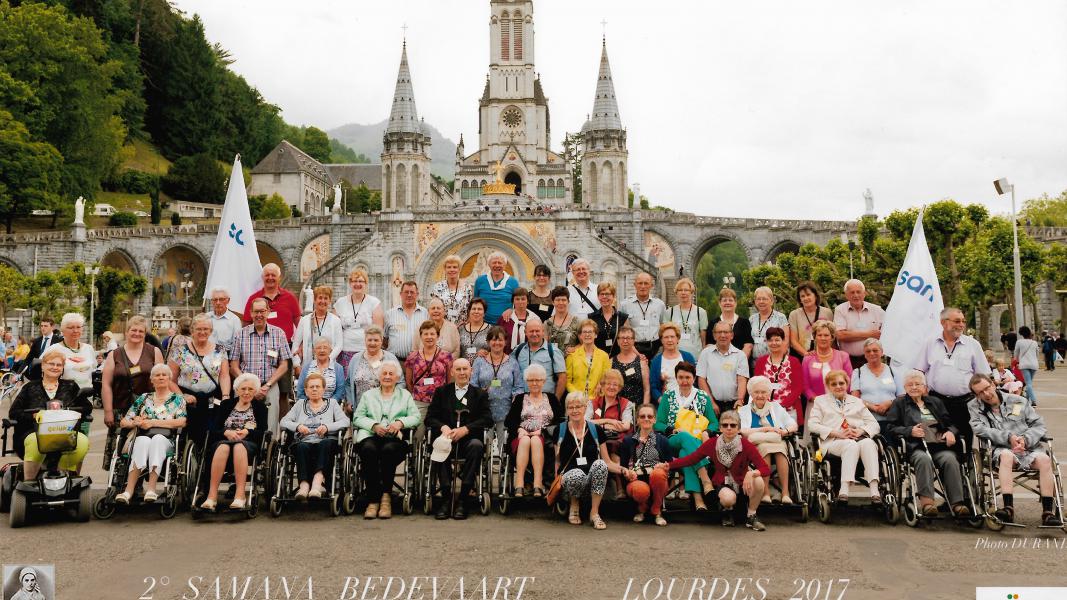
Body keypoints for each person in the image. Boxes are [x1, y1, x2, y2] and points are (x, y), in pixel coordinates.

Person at [968, 374, 1062, 526]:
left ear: (993, 384)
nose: (986, 394)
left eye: (987, 388)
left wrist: (1025, 439)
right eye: (980, 392)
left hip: (1028, 448)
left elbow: (1039, 425)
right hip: (1000, 449)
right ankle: (1008, 508)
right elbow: (980, 429)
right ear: (976, 395)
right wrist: (1008, 437)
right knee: (1006, 455)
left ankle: (1048, 512)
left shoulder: (1018, 401)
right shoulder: (974, 406)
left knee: (1045, 459)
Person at [659, 410, 770, 530]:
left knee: (758, 480)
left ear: (738, 429)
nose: (729, 428)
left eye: (733, 425)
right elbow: (691, 459)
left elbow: (765, 469)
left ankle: (751, 515)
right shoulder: (712, 443)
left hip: (743, 484)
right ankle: (727, 511)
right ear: (720, 428)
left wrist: (752, 473)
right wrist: (668, 465)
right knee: (728, 498)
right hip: (722, 485)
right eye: (725, 425)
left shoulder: (746, 445)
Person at [885, 370, 969, 517]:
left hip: (938, 444)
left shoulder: (935, 402)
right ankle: (927, 503)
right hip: (915, 446)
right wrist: (910, 431)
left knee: (950, 459)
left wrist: (950, 432)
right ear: (905, 388)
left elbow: (951, 423)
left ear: (924, 387)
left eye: (917, 384)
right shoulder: (899, 403)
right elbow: (891, 427)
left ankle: (957, 504)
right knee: (923, 460)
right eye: (910, 384)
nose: (914, 387)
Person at [9, 347, 91, 480]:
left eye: (59, 365)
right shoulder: (30, 387)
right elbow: (14, 412)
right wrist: (33, 416)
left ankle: (62, 477)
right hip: (33, 432)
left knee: (82, 442)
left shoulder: (70, 386)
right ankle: (29, 480)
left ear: (63, 368)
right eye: (51, 364)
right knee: (34, 442)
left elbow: (87, 407)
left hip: (65, 433)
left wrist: (76, 413)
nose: (55, 367)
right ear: (42, 366)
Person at [353, 362, 421, 519]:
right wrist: (374, 425)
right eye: (384, 373)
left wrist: (400, 423)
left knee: (388, 451)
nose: (388, 377)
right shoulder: (368, 395)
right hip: (371, 435)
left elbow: (416, 417)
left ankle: (385, 498)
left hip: (394, 438)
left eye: (391, 374)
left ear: (397, 378)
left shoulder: (405, 395)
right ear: (379, 376)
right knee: (368, 450)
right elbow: (357, 417)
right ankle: (373, 500)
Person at [915, 307, 991, 447]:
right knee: (938, 436)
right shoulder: (930, 343)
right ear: (943, 322)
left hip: (965, 401)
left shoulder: (973, 345)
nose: (961, 324)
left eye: (963, 321)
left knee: (964, 436)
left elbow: (983, 375)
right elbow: (918, 371)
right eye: (957, 321)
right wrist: (922, 389)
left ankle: (967, 465)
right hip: (936, 400)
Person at [426, 358, 492, 519]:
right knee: (439, 446)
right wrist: (444, 427)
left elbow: (487, 419)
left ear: (471, 371)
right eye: (458, 369)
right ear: (452, 372)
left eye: (465, 369)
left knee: (476, 446)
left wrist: (466, 429)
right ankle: (446, 499)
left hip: (469, 440)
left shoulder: (480, 394)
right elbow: (430, 418)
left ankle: (463, 499)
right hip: (446, 438)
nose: (462, 372)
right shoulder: (442, 392)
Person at [115, 364, 187, 504]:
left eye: (164, 375)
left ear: (169, 378)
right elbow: (124, 421)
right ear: (152, 380)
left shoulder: (178, 399)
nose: (161, 377)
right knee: (143, 441)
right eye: (157, 375)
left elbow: (182, 421)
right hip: (143, 436)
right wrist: (135, 422)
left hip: (166, 439)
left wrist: (153, 423)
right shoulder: (143, 398)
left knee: (158, 439)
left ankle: (151, 489)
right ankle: (128, 491)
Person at [807, 370, 881, 503]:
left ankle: (875, 490)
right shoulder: (820, 401)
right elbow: (812, 425)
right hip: (833, 441)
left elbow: (874, 425)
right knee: (850, 444)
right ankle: (844, 489)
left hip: (858, 438)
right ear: (828, 386)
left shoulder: (857, 401)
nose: (838, 386)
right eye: (833, 384)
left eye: (841, 383)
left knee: (869, 443)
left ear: (847, 384)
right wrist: (837, 433)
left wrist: (860, 431)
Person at [556, 392, 626, 529]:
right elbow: (557, 462)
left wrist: (624, 470)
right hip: (570, 481)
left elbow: (607, 462)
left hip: (591, 480)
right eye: (571, 407)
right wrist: (556, 483)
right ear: (567, 410)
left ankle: (594, 513)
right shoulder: (560, 429)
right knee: (576, 474)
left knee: (600, 464)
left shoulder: (595, 429)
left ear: (585, 408)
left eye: (578, 407)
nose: (575, 410)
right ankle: (574, 505)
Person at [654, 362, 718, 510]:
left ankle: (698, 500)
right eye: (680, 377)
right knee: (684, 436)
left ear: (694, 378)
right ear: (676, 378)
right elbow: (658, 424)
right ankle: (706, 480)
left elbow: (714, 423)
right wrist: (670, 429)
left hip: (696, 444)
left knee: (686, 454)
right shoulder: (668, 396)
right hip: (673, 441)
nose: (684, 381)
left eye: (688, 377)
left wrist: (706, 432)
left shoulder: (702, 397)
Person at [200, 373, 269, 511]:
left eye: (250, 389)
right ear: (236, 390)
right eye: (243, 389)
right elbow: (213, 429)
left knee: (238, 446)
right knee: (223, 447)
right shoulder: (226, 405)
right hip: (224, 441)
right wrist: (226, 432)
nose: (246, 392)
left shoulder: (260, 408)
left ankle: (240, 495)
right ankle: (211, 496)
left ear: (255, 391)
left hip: (248, 444)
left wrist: (248, 432)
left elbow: (263, 432)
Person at [280, 372, 349, 499]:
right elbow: (283, 421)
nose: (314, 389)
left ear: (323, 389)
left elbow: (345, 421)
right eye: (311, 387)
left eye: (318, 386)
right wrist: (298, 426)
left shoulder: (332, 403)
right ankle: (304, 485)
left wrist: (328, 427)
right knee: (301, 447)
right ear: (305, 390)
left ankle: (317, 483)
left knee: (325, 443)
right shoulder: (300, 404)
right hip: (304, 441)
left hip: (326, 440)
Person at [229, 297, 292, 435]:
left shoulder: (279, 333)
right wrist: (248, 385)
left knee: (270, 425)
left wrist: (267, 386)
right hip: (245, 388)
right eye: (256, 312)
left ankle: (269, 452)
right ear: (251, 313)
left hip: (269, 386)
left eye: (262, 311)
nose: (259, 315)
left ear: (268, 312)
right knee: (242, 423)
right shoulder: (240, 334)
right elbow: (233, 365)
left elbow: (284, 365)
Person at [169, 313, 230, 443]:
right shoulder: (179, 351)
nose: (202, 332)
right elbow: (170, 380)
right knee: (189, 433)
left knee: (212, 432)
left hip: (212, 398)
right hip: (189, 399)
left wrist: (225, 395)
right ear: (192, 331)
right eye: (199, 329)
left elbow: (224, 375)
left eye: (206, 329)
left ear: (211, 331)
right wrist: (181, 397)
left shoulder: (220, 350)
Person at [504, 364, 562, 498]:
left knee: (536, 440)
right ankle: (519, 484)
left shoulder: (551, 398)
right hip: (521, 437)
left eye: (538, 380)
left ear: (543, 381)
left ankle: (537, 484)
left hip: (545, 438)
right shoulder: (520, 398)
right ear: (526, 381)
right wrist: (519, 429)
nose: (534, 383)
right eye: (531, 380)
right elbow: (509, 421)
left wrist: (542, 431)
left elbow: (560, 420)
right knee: (525, 440)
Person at [738, 377, 797, 504]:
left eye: (764, 392)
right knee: (766, 449)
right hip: (755, 444)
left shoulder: (776, 407)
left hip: (776, 442)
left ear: (769, 393)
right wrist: (764, 429)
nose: (760, 395)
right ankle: (765, 493)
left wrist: (785, 431)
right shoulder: (743, 410)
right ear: (751, 393)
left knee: (781, 451)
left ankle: (785, 493)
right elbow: (742, 431)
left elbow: (793, 425)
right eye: (756, 392)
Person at [102, 315, 165, 428]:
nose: (137, 333)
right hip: (121, 409)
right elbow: (106, 384)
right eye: (134, 330)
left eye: (141, 331)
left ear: (145, 334)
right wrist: (108, 411)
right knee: (120, 444)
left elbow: (163, 382)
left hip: (149, 410)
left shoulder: (154, 352)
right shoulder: (114, 354)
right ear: (126, 332)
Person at [618, 404, 672, 526]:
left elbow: (671, 465)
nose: (646, 419)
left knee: (658, 474)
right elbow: (623, 466)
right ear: (637, 420)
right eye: (642, 416)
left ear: (654, 419)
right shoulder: (628, 441)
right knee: (641, 490)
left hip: (658, 479)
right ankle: (642, 508)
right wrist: (627, 473)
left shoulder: (663, 440)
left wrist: (665, 468)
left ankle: (657, 511)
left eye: (650, 416)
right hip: (636, 479)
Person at [587, 368, 633, 498]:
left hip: (617, 440)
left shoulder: (626, 403)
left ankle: (620, 488)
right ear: (602, 385)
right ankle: (616, 488)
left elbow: (625, 425)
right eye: (608, 383)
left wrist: (600, 424)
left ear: (620, 387)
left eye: (615, 384)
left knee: (614, 448)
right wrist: (610, 421)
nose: (612, 387)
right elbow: (586, 422)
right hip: (596, 440)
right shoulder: (593, 402)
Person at [471, 326, 520, 441]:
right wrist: (479, 394)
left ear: (506, 342)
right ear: (488, 342)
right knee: (485, 445)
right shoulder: (479, 361)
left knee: (503, 445)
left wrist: (515, 397)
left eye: (500, 340)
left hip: (505, 409)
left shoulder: (513, 362)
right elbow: (472, 384)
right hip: (484, 410)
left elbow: (519, 386)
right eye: (493, 339)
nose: (497, 343)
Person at [752, 327, 803, 428]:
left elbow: (799, 387)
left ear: (783, 341)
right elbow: (756, 386)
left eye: (777, 340)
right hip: (765, 410)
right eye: (770, 340)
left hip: (789, 410)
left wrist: (782, 406)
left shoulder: (794, 362)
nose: (774, 343)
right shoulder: (761, 362)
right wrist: (767, 406)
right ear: (766, 342)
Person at [334, 268, 385, 369]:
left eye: (361, 281)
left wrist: (376, 354)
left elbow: (379, 331)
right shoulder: (340, 303)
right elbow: (334, 329)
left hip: (368, 352)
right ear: (350, 283)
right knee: (347, 382)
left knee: (368, 381)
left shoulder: (374, 303)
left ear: (366, 283)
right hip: (345, 351)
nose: (357, 284)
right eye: (354, 281)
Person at [697, 321, 749, 416]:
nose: (722, 335)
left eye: (726, 332)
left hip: (734, 405)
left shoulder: (740, 355)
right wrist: (711, 402)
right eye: (719, 332)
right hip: (711, 404)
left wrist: (740, 400)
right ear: (714, 335)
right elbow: (701, 380)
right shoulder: (705, 353)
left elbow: (742, 380)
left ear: (732, 335)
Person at [346, 326, 403, 413]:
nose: (372, 343)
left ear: (382, 341)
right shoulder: (355, 358)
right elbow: (348, 383)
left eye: (376, 340)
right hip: (360, 408)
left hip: (385, 408)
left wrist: (394, 399)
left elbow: (400, 382)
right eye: (369, 340)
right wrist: (350, 401)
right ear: (365, 341)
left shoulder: (390, 358)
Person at [404, 320, 453, 419]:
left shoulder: (446, 356)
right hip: (418, 402)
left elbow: (449, 380)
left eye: (432, 334)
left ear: (437, 336)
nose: (429, 337)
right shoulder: (412, 356)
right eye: (425, 334)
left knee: (438, 432)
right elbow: (409, 381)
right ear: (421, 336)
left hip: (440, 402)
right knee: (418, 433)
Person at [850, 338, 904, 427]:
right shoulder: (858, 372)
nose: (872, 353)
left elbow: (902, 397)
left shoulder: (893, 371)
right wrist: (872, 407)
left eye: (875, 350)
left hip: (892, 420)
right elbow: (854, 399)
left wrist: (889, 403)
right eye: (868, 351)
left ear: (882, 352)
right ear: (864, 354)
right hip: (867, 421)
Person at [800, 320, 853, 411]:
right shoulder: (807, 359)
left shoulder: (843, 356)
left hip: (840, 405)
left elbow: (849, 381)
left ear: (832, 337)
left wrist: (838, 399)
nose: (823, 338)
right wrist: (819, 402)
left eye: (826, 335)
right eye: (819, 335)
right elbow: (805, 386)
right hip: (816, 406)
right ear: (815, 337)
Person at [833, 279, 885, 369]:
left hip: (873, 359)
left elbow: (888, 330)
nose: (856, 295)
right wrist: (870, 334)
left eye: (858, 292)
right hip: (849, 360)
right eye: (852, 292)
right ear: (846, 295)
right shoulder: (840, 310)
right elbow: (841, 335)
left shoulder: (877, 310)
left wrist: (852, 335)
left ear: (864, 294)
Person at [241, 263, 301, 341]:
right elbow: (246, 325)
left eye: (273, 275)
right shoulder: (253, 299)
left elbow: (299, 325)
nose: (270, 277)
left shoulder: (290, 298)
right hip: (260, 347)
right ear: (262, 277)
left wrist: (300, 344)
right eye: (267, 275)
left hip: (286, 347)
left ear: (279, 278)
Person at [510, 319, 567, 399]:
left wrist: (555, 401)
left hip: (546, 401)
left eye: (537, 331)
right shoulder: (518, 350)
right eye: (531, 331)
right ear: (525, 332)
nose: (534, 334)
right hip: (523, 401)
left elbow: (562, 378)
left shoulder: (554, 351)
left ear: (543, 332)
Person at [292, 285, 343, 371]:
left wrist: (328, 360)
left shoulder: (336, 321)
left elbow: (339, 345)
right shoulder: (304, 320)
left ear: (330, 301)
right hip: (307, 367)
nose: (323, 301)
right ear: (314, 300)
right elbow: (295, 345)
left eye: (326, 298)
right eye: (320, 298)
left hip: (328, 367)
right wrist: (296, 365)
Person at [619, 271, 666, 361]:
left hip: (655, 348)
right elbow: (621, 330)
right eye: (640, 283)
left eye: (646, 283)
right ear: (635, 285)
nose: (643, 286)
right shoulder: (625, 305)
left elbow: (663, 327)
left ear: (651, 286)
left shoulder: (660, 305)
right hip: (633, 348)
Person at [649, 323, 695, 404]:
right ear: (661, 340)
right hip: (665, 402)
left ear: (678, 339)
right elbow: (653, 387)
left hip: (687, 401)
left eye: (672, 337)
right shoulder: (656, 361)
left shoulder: (688, 357)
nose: (669, 340)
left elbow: (695, 381)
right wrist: (661, 399)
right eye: (666, 337)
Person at [384, 281, 429, 360]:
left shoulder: (426, 314)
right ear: (401, 294)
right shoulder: (389, 314)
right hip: (395, 361)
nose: (409, 295)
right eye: (406, 292)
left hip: (419, 362)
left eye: (412, 292)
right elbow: (385, 339)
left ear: (417, 294)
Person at [663, 278, 707, 359]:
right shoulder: (669, 312)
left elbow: (703, 339)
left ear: (692, 292)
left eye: (686, 290)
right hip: (675, 356)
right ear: (676, 293)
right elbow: (665, 336)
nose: (683, 293)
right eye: (680, 290)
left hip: (695, 355)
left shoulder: (700, 312)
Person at [565, 319, 611, 396]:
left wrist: (601, 386)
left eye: (590, 332)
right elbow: (567, 381)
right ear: (580, 336)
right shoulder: (572, 356)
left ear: (595, 335)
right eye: (585, 332)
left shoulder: (604, 356)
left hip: (597, 399)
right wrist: (577, 394)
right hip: (577, 400)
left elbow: (607, 378)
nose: (587, 335)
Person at [706, 288, 754, 360]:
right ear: (719, 303)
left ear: (735, 303)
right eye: (724, 300)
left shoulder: (745, 322)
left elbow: (748, 345)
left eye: (730, 300)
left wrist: (739, 362)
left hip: (740, 365)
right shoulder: (713, 323)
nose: (727, 302)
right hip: (718, 364)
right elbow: (709, 345)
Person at [788, 281, 833, 356]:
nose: (806, 298)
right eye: (802, 296)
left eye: (808, 294)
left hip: (824, 355)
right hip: (802, 356)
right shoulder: (794, 315)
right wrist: (806, 354)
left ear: (815, 295)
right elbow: (793, 340)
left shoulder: (827, 312)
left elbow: (832, 337)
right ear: (800, 299)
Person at [295, 337, 346, 403]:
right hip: (309, 406)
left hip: (331, 406)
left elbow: (340, 392)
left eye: (325, 347)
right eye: (318, 348)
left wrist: (327, 405)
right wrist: (311, 405)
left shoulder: (338, 368)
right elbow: (300, 391)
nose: (322, 350)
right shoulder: (306, 367)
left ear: (330, 350)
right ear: (314, 350)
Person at [472, 251, 519, 324]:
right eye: (494, 262)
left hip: (506, 323)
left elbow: (518, 303)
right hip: (483, 323)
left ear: (505, 265)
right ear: (489, 265)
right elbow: (475, 302)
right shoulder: (480, 281)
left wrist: (511, 309)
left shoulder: (513, 282)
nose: (497, 265)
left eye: (500, 263)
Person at [54, 312, 97, 390]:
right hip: (64, 398)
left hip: (87, 398)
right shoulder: (54, 349)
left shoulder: (89, 349)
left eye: (78, 327)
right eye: (71, 327)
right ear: (63, 330)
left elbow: (93, 370)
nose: (75, 330)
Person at [430, 254, 474, 325]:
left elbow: (470, 309)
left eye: (454, 267)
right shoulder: (437, 287)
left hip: (462, 327)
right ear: (445, 269)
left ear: (459, 269)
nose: (452, 269)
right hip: (442, 327)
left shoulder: (467, 288)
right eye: (449, 267)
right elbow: (434, 309)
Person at [611, 326, 650, 406]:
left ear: (633, 341)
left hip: (637, 407)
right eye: (622, 338)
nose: (625, 341)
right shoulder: (610, 362)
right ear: (617, 341)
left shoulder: (641, 363)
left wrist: (643, 409)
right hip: (616, 408)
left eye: (628, 338)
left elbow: (647, 390)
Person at [588, 283, 629, 357]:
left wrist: (638, 355)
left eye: (607, 294)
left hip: (618, 358)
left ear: (613, 296)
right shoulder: (592, 318)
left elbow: (628, 340)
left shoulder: (622, 317)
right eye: (602, 294)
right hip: (598, 359)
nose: (604, 297)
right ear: (598, 297)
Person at [750, 286, 789, 362]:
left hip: (774, 362)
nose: (761, 301)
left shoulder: (780, 317)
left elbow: (785, 341)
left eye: (764, 299)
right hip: (754, 364)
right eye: (758, 299)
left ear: (771, 301)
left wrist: (777, 362)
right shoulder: (752, 319)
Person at [497, 287, 538, 354]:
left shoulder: (535, 319)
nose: (520, 301)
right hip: (506, 356)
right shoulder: (505, 318)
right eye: (517, 299)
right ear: (513, 301)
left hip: (529, 357)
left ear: (528, 301)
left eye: (523, 299)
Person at [545, 286, 581, 353]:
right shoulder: (547, 323)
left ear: (568, 302)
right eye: (557, 300)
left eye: (563, 300)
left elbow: (584, 343)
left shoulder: (577, 322)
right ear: (553, 302)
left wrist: (574, 348)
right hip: (552, 361)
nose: (561, 303)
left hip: (571, 361)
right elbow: (543, 346)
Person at [207, 287, 242, 351]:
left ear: (228, 300)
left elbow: (237, 346)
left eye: (221, 299)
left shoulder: (234, 320)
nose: (218, 302)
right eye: (215, 300)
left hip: (225, 356)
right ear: (211, 301)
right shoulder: (205, 318)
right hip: (204, 356)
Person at [1012, 325, 1040, 403]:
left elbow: (1016, 354)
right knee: (1029, 383)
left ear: (1022, 334)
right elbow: (1037, 354)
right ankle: (1027, 399)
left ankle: (1033, 400)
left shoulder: (1019, 342)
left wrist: (1017, 361)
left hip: (1024, 365)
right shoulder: (1034, 343)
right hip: (1034, 365)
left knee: (1028, 383)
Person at [458, 298, 492, 362]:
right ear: (469, 311)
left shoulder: (491, 330)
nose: (476, 311)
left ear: (484, 313)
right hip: (463, 369)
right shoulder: (461, 329)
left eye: (479, 309)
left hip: (482, 368)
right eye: (473, 309)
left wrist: (488, 354)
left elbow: (496, 351)